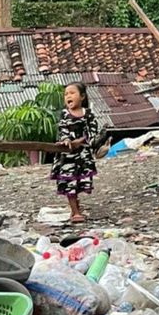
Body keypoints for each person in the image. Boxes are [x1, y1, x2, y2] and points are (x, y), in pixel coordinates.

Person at [50, 82, 99, 224]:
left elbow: (93, 131)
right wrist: (66, 140)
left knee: (79, 181)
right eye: (66, 94)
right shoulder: (64, 114)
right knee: (69, 181)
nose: (68, 96)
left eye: (72, 93)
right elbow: (62, 129)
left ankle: (76, 205)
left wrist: (80, 141)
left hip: (83, 155)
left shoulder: (88, 114)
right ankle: (75, 211)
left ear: (82, 96)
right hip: (67, 156)